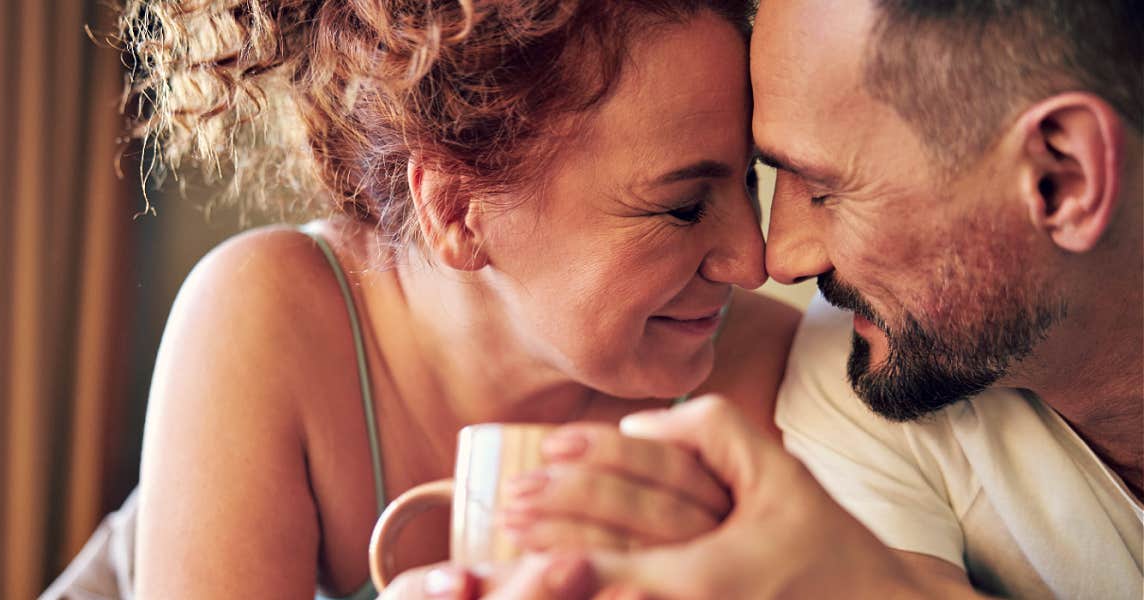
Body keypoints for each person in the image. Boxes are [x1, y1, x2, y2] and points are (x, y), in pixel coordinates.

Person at [385, 0, 1144, 597]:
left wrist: (867, 590)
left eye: (823, 188)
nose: (774, 261)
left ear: (1062, 178)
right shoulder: (856, 379)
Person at [43, 1, 801, 599]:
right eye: (680, 206)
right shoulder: (269, 322)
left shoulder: (756, 376)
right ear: (456, 213)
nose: (754, 262)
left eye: (747, 180)